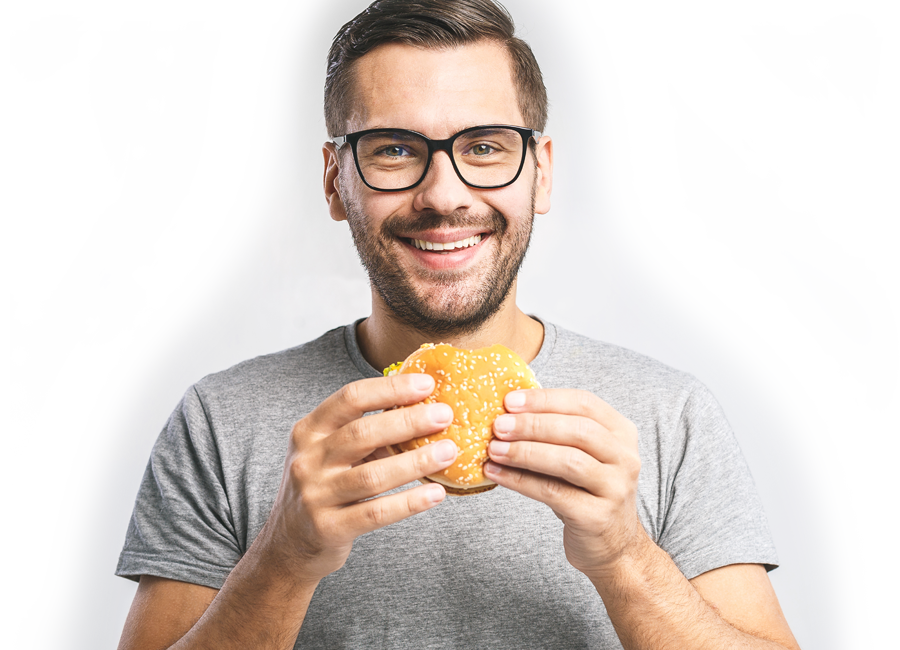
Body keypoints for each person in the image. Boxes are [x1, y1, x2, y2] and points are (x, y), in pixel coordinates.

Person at [115, 1, 801, 648]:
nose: (444, 194)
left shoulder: (666, 415)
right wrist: (284, 556)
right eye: (392, 150)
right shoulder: (222, 419)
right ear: (334, 181)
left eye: (485, 147)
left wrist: (625, 556)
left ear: (541, 173)